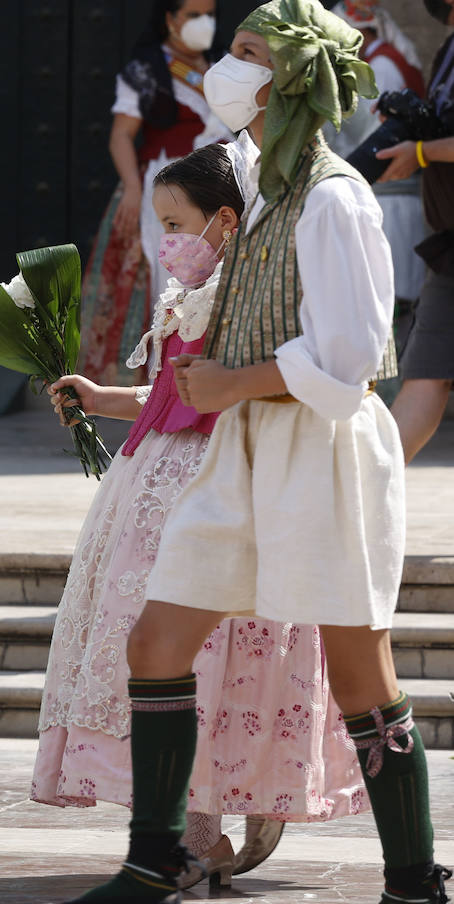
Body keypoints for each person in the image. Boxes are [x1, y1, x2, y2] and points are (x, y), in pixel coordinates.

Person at [69, 3, 447, 902]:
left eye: (245, 52)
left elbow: (353, 356)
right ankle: (155, 857)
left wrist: (236, 383)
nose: (227, 66)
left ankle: (412, 879)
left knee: (363, 675)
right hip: (239, 451)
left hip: (319, 452)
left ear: (289, 78)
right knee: (157, 640)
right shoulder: (265, 189)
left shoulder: (332, 194)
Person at [34, 141, 366, 891]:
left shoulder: (255, 297)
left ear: (225, 220)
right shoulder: (187, 296)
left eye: (175, 222)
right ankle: (193, 830)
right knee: (157, 651)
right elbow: (167, 397)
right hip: (155, 480)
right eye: (160, 223)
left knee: (218, 651)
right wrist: (101, 397)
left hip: (223, 481)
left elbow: (234, 392)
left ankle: (218, 815)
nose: (165, 240)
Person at [81, 0, 232, 386]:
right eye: (193, 15)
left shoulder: (224, 67)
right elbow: (121, 136)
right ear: (170, 19)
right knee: (171, 276)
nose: (204, 23)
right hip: (166, 187)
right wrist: (132, 188)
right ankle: (157, 381)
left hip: (221, 184)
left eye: (209, 15)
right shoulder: (146, 70)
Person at [382, 0, 454, 463]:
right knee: (425, 374)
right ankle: (362, 501)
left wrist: (423, 152)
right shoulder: (449, 48)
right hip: (449, 248)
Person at [327, 0, 428, 327]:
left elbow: (374, 137)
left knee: (393, 307)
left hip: (393, 198)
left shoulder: (382, 67)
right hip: (388, 198)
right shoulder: (380, 63)